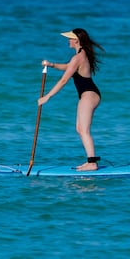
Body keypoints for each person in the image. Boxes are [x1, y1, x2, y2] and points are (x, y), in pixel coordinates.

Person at [38, 28, 104, 171]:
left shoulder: (78, 57)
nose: (68, 40)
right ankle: (90, 161)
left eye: (70, 38)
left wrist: (47, 97)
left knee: (84, 130)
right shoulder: (81, 55)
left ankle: (92, 163)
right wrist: (52, 65)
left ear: (77, 40)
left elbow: (64, 80)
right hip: (89, 93)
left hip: (88, 94)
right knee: (80, 129)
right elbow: (69, 67)